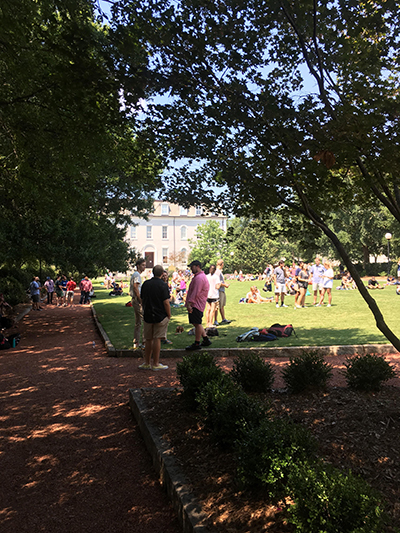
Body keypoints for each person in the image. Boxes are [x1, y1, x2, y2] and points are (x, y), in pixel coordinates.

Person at [139, 265, 171, 370]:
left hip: (148, 314)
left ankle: (147, 362)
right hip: (160, 315)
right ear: (162, 273)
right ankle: (156, 364)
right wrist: (169, 315)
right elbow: (166, 302)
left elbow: (142, 299)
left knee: (148, 339)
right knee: (157, 338)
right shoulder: (163, 285)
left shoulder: (146, 284)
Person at [185, 260, 211, 350]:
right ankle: (205, 339)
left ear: (197, 266)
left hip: (196, 304)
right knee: (196, 322)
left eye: (192, 267)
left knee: (197, 323)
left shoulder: (199, 278)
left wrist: (189, 304)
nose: (191, 269)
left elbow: (196, 292)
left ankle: (197, 343)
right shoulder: (199, 277)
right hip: (198, 303)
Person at [129, 258, 146, 349]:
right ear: (138, 266)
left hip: (135, 300)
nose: (144, 267)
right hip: (137, 300)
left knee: (138, 322)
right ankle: (143, 342)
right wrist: (140, 300)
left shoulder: (137, 275)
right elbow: (136, 288)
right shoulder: (137, 275)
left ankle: (136, 342)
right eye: (143, 265)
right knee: (144, 321)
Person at [215, 259, 231, 325]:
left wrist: (224, 283)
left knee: (222, 305)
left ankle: (223, 318)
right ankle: (215, 320)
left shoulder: (219, 271)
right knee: (217, 306)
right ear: (222, 264)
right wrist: (225, 285)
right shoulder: (217, 272)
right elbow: (217, 282)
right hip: (219, 291)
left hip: (222, 290)